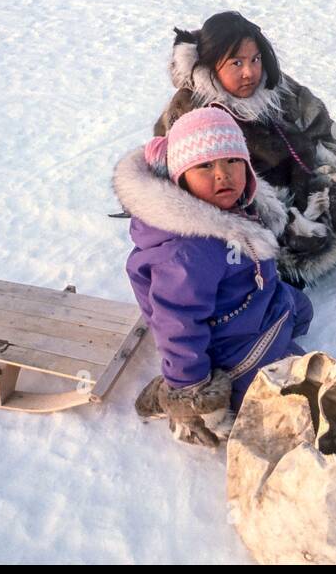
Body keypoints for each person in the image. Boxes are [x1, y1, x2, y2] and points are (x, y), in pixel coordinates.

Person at [115, 107, 313, 447]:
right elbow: (176, 322)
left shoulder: (233, 209)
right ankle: (180, 404)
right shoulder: (188, 252)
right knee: (283, 396)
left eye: (232, 162)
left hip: (252, 303)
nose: (223, 175)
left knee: (301, 309)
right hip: (224, 337)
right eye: (205, 166)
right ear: (181, 178)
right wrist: (190, 387)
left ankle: (276, 335)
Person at [152, 11, 336, 288]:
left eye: (255, 59)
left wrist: (328, 174)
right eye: (236, 63)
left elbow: (322, 131)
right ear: (211, 66)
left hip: (302, 193)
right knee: (265, 264)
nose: (249, 72)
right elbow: (177, 176)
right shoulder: (190, 110)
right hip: (244, 208)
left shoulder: (281, 90)